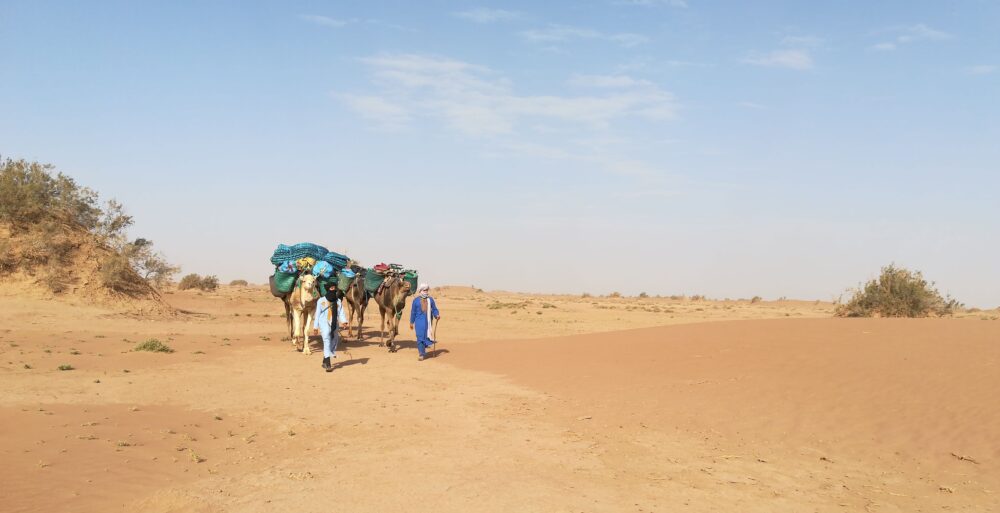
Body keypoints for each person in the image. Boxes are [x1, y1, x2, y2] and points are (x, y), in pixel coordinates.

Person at [314, 291, 348, 372]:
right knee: (326, 339)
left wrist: (343, 321)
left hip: (335, 324)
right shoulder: (321, 301)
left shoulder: (338, 301)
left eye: (334, 288)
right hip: (323, 322)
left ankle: (325, 360)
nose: (332, 290)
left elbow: (341, 312)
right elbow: (317, 314)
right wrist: (315, 327)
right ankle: (328, 364)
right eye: (331, 288)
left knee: (334, 340)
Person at [409, 283, 440, 361]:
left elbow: (434, 309)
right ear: (421, 291)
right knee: (420, 337)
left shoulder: (430, 299)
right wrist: (411, 322)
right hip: (419, 323)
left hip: (428, 323)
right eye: (424, 290)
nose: (426, 291)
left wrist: (437, 315)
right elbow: (413, 312)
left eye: (427, 290)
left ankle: (423, 350)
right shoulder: (415, 300)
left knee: (426, 337)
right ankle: (421, 354)